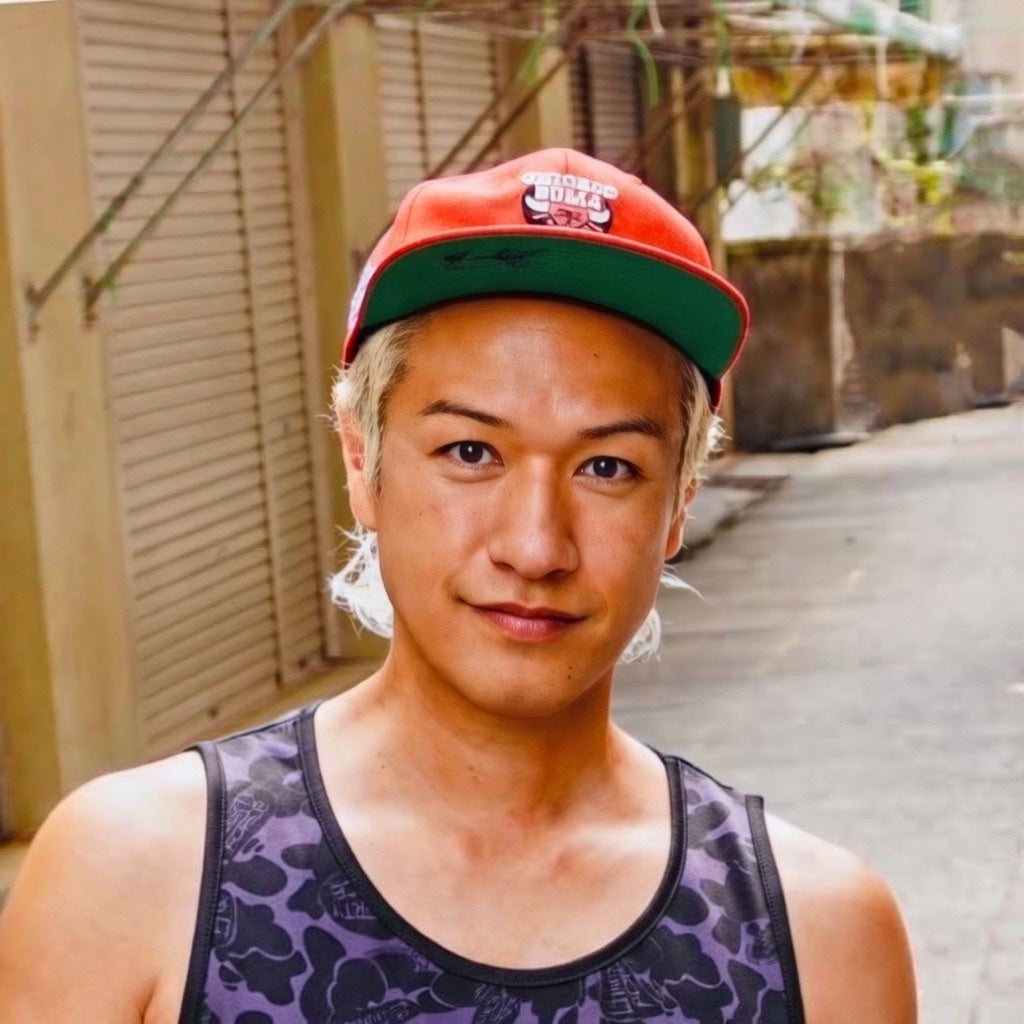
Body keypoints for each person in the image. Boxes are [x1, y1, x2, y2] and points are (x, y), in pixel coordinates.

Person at [0, 149, 915, 1024]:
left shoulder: (813, 935)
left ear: (679, 501)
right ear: (361, 461)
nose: (535, 546)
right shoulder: (140, 877)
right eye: (471, 451)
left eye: (607, 467)